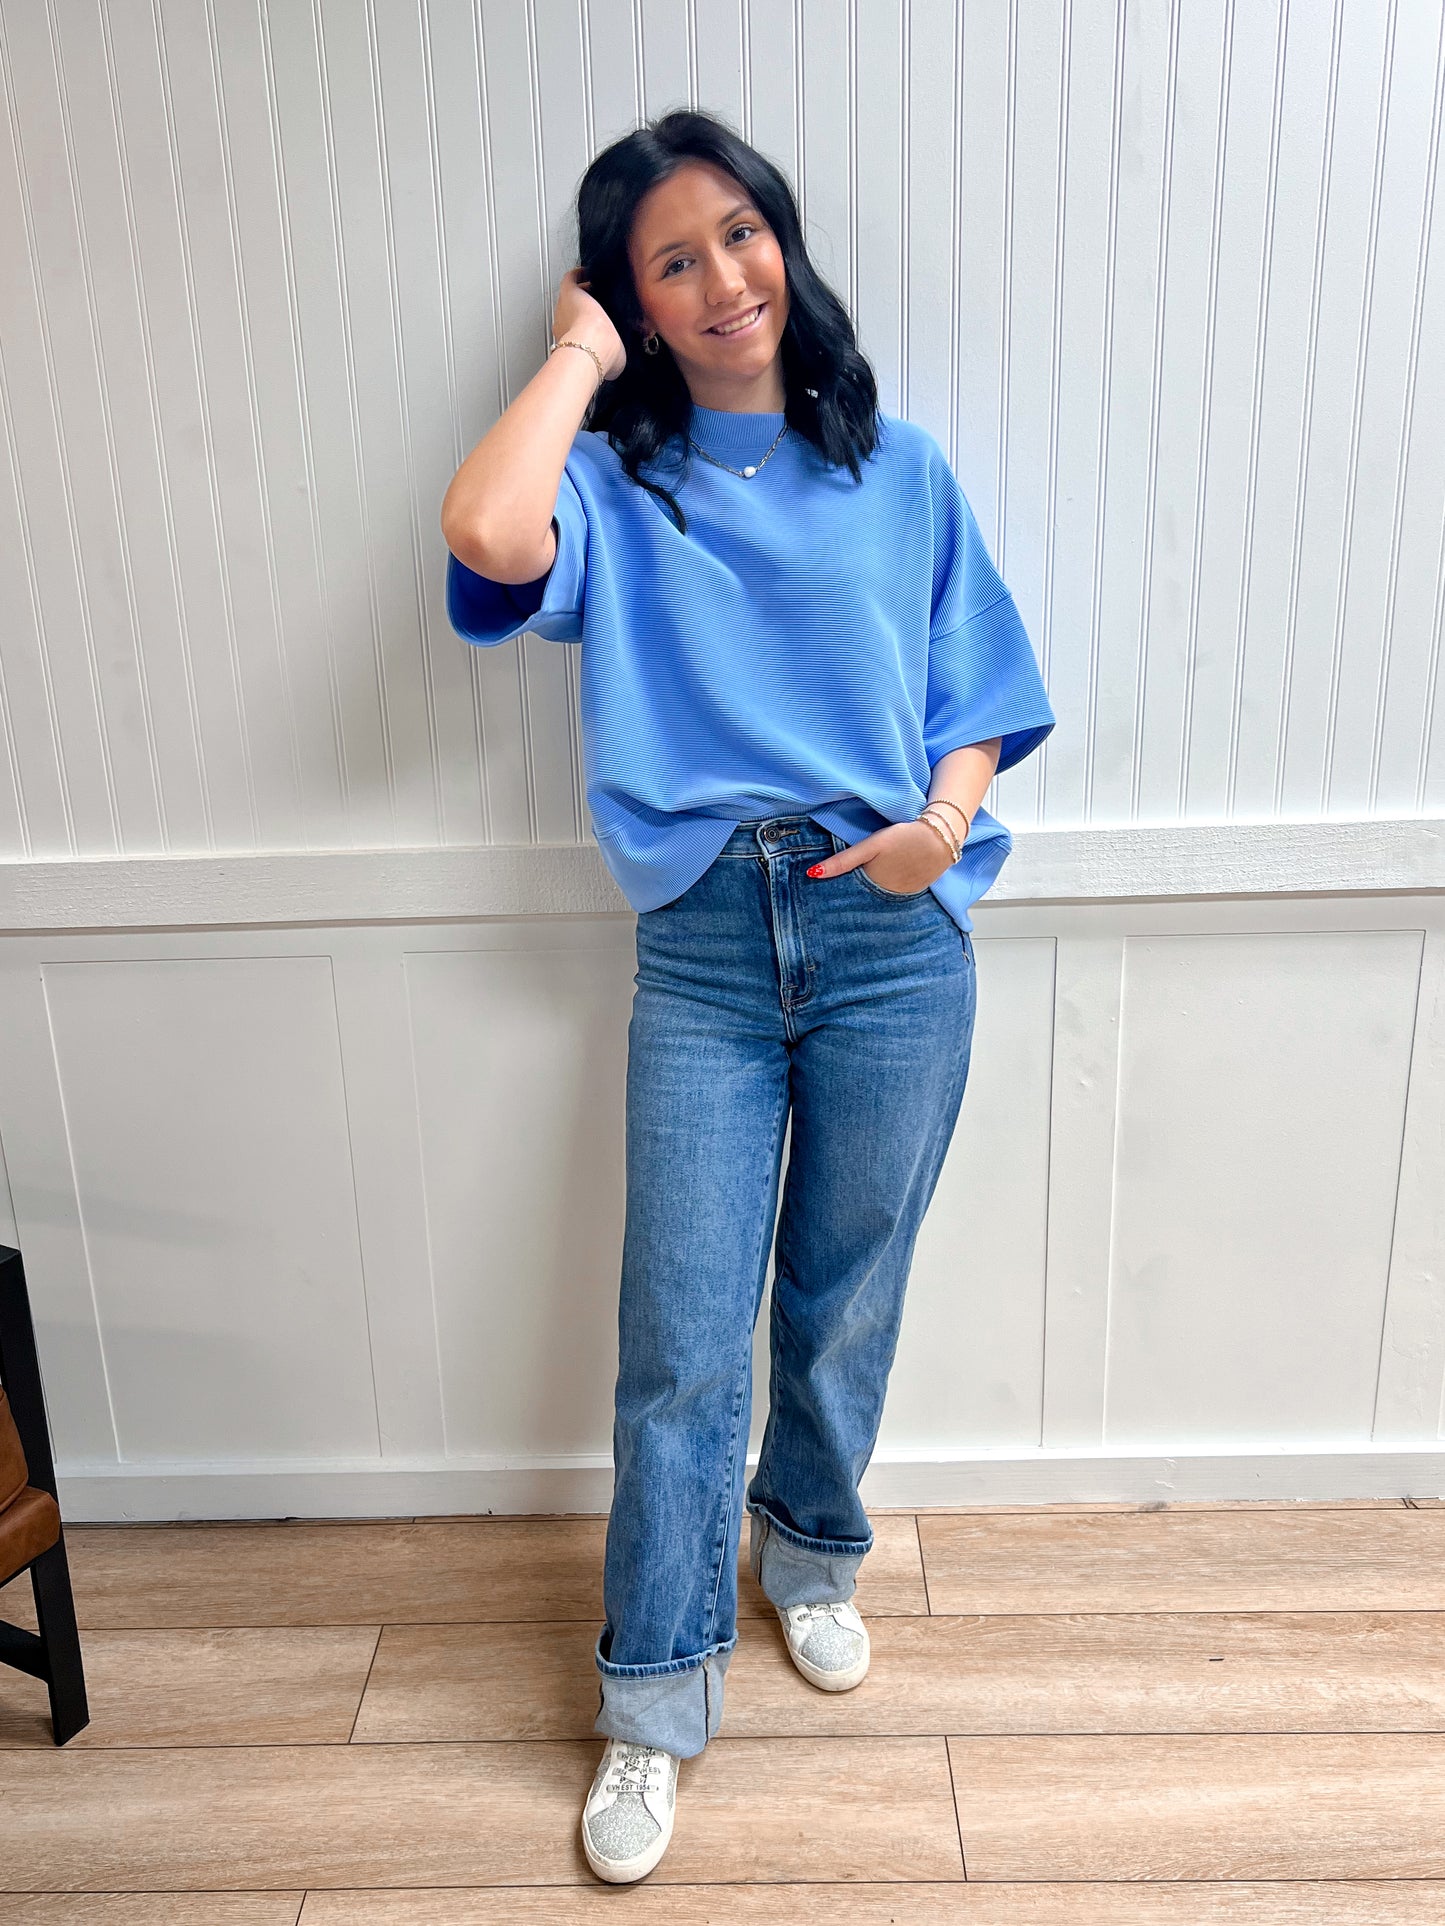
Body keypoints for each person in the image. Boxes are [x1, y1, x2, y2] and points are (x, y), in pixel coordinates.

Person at [440, 108, 1055, 1885]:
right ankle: (650, 1702)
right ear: (628, 300)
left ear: (786, 236)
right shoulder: (616, 496)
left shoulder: (901, 469)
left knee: (844, 1291)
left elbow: (977, 685)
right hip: (706, 938)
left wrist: (944, 821)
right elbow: (484, 529)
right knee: (682, 1339)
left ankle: (810, 1548)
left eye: (738, 233)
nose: (722, 278)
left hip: (890, 927)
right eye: (669, 260)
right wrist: (575, 345)